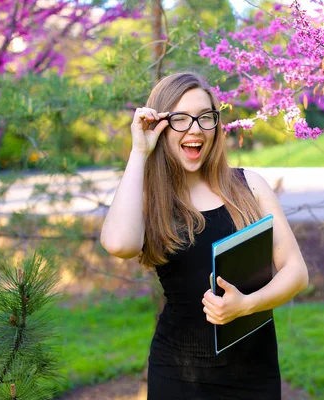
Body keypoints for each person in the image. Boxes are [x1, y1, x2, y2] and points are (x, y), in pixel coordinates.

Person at [100, 71, 309, 400]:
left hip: (255, 374)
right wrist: (139, 151)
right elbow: (119, 244)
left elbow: (296, 272)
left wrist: (246, 306)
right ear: (160, 125)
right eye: (180, 119)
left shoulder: (248, 186)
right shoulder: (150, 199)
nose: (195, 129)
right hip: (179, 376)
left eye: (205, 118)